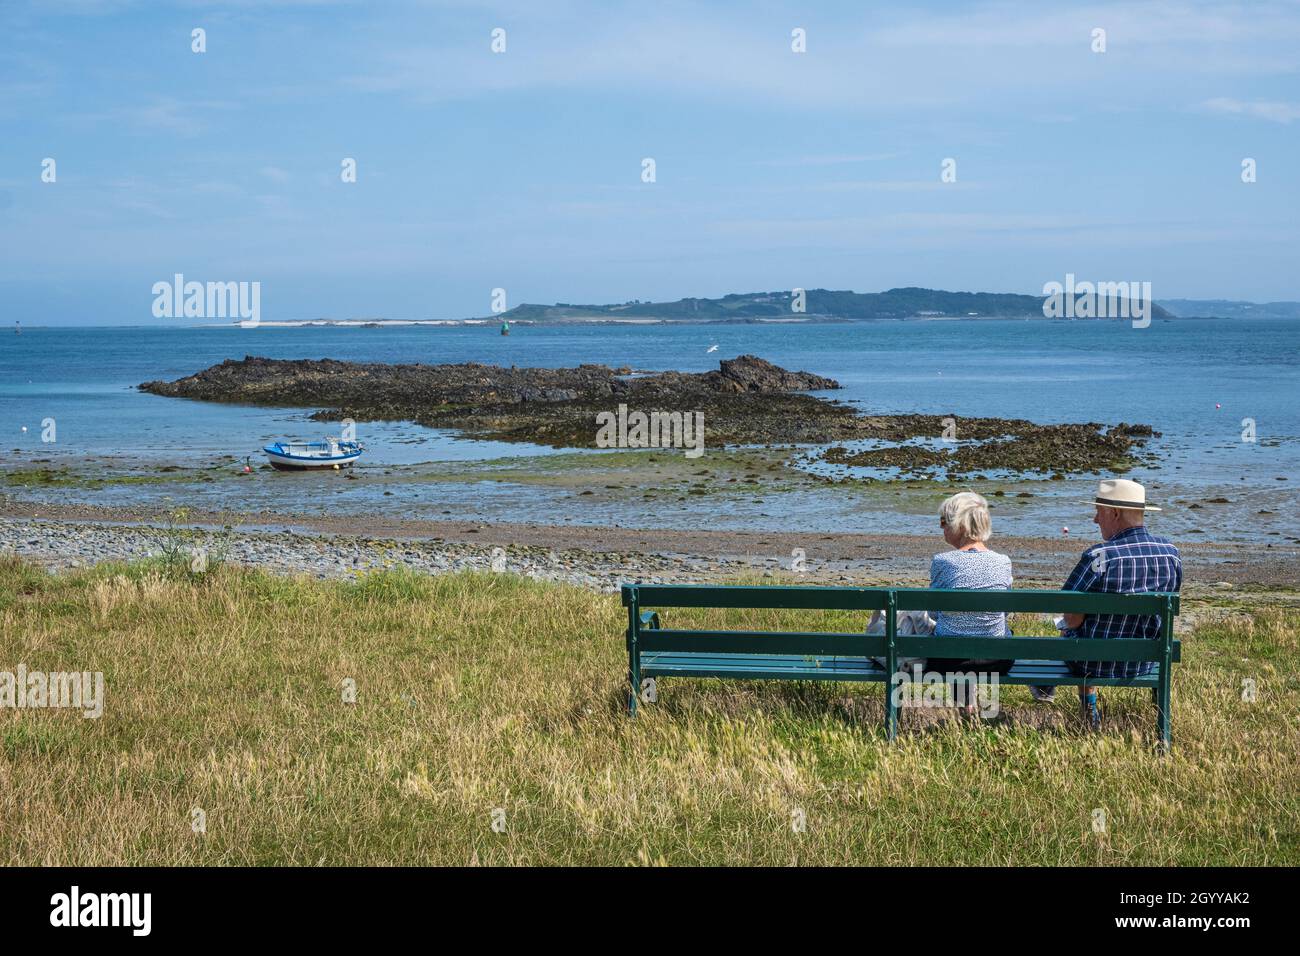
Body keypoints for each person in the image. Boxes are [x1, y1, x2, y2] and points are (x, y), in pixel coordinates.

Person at [1030, 479, 1182, 729]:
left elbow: (1071, 613)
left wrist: (1069, 625)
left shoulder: (1099, 557)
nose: (1095, 519)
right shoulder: (1170, 553)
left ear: (1114, 513)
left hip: (1093, 662)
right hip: (1147, 661)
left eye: (1098, 512)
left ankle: (1088, 712)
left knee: (1072, 629)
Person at [927, 492, 1015, 697]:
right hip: (996, 661)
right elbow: (1006, 612)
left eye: (944, 521)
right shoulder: (1003, 561)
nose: (941, 527)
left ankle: (965, 707)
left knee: (949, 632)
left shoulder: (942, 561)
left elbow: (933, 613)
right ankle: (971, 708)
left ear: (961, 525)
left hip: (947, 660)